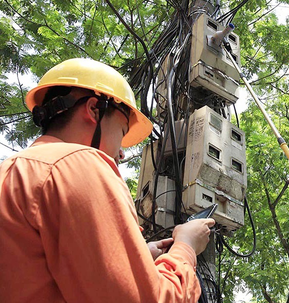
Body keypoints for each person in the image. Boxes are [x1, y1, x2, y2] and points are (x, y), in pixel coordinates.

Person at [0, 58, 215, 302]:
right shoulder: (79, 165)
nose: (122, 153)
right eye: (122, 133)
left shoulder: (12, 172)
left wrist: (134, 259)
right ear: (94, 109)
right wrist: (186, 246)